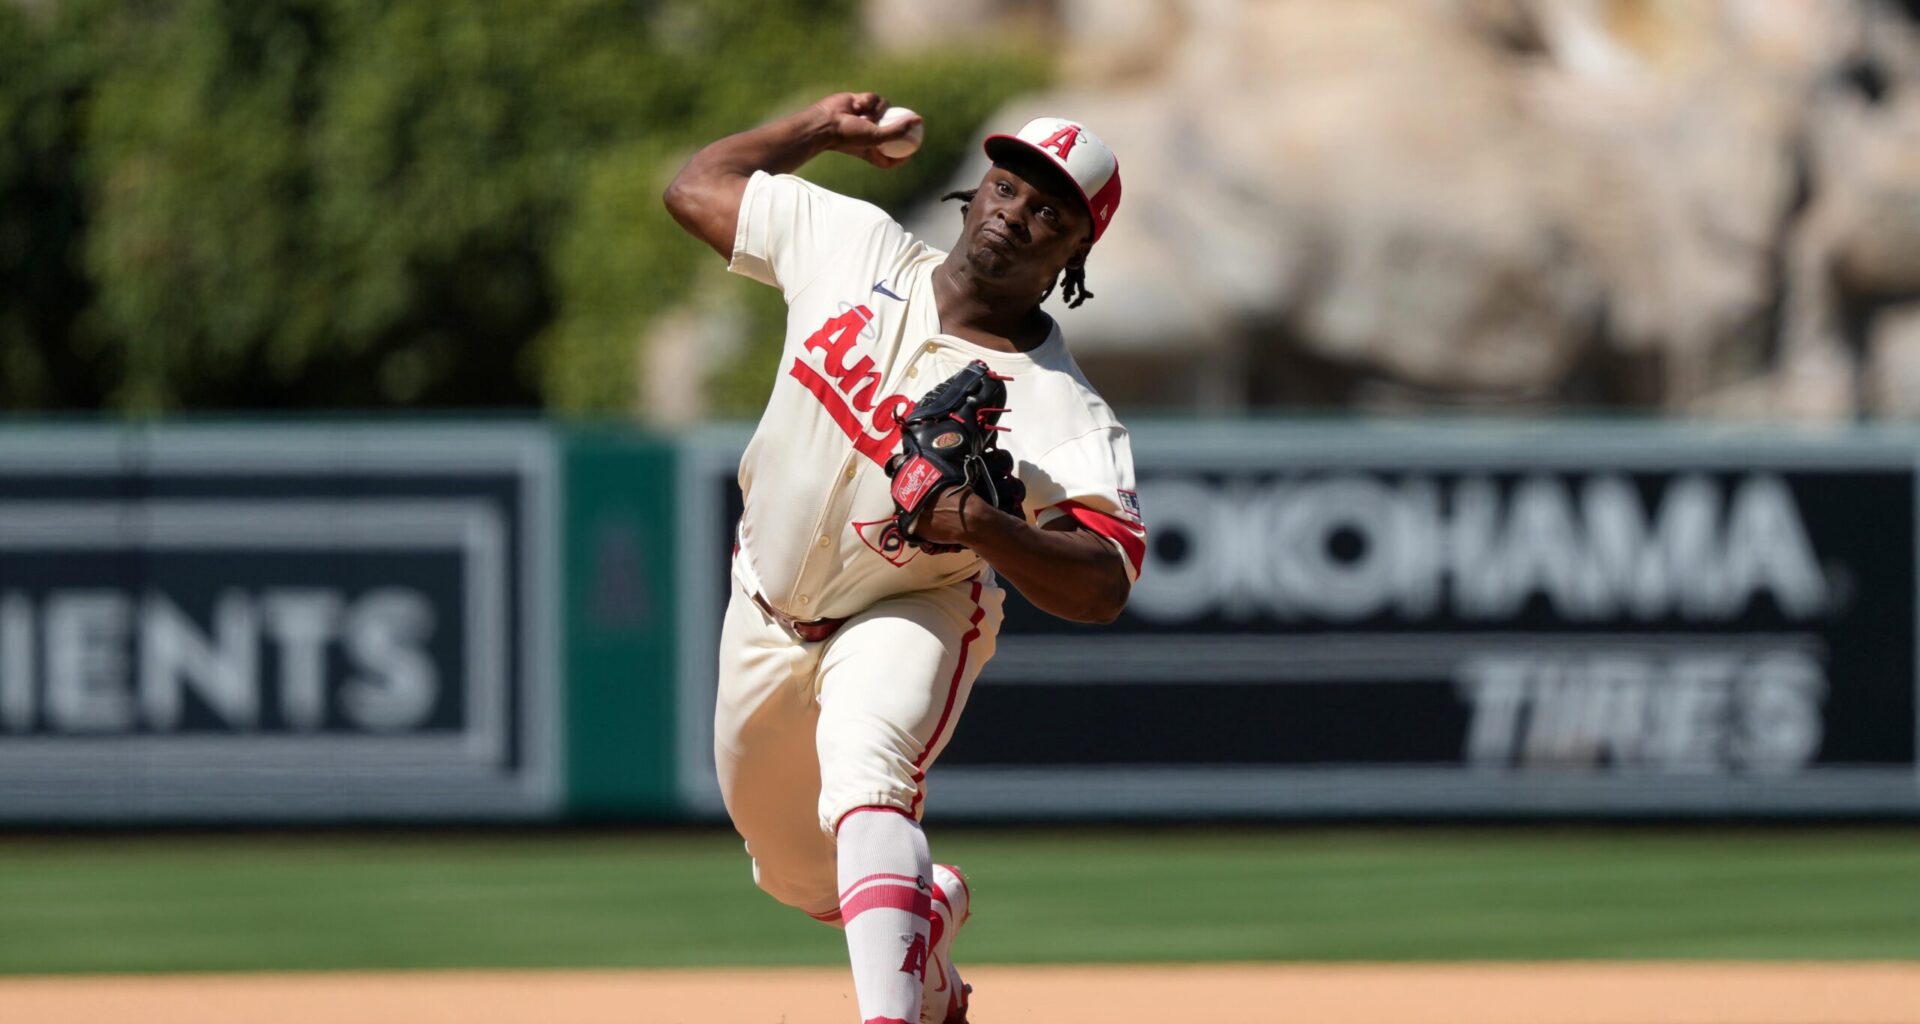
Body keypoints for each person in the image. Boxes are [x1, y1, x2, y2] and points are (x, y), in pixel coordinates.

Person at [663, 91, 1145, 1024]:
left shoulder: (1062, 406)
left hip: (912, 603)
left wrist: (985, 525)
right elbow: (698, 187)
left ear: (1073, 255)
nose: (1017, 214)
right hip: (763, 602)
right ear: (977, 192)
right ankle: (925, 916)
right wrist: (815, 132)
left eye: (1051, 213)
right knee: (793, 871)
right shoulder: (855, 244)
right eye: (1008, 187)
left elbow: (1107, 578)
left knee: (866, 771)